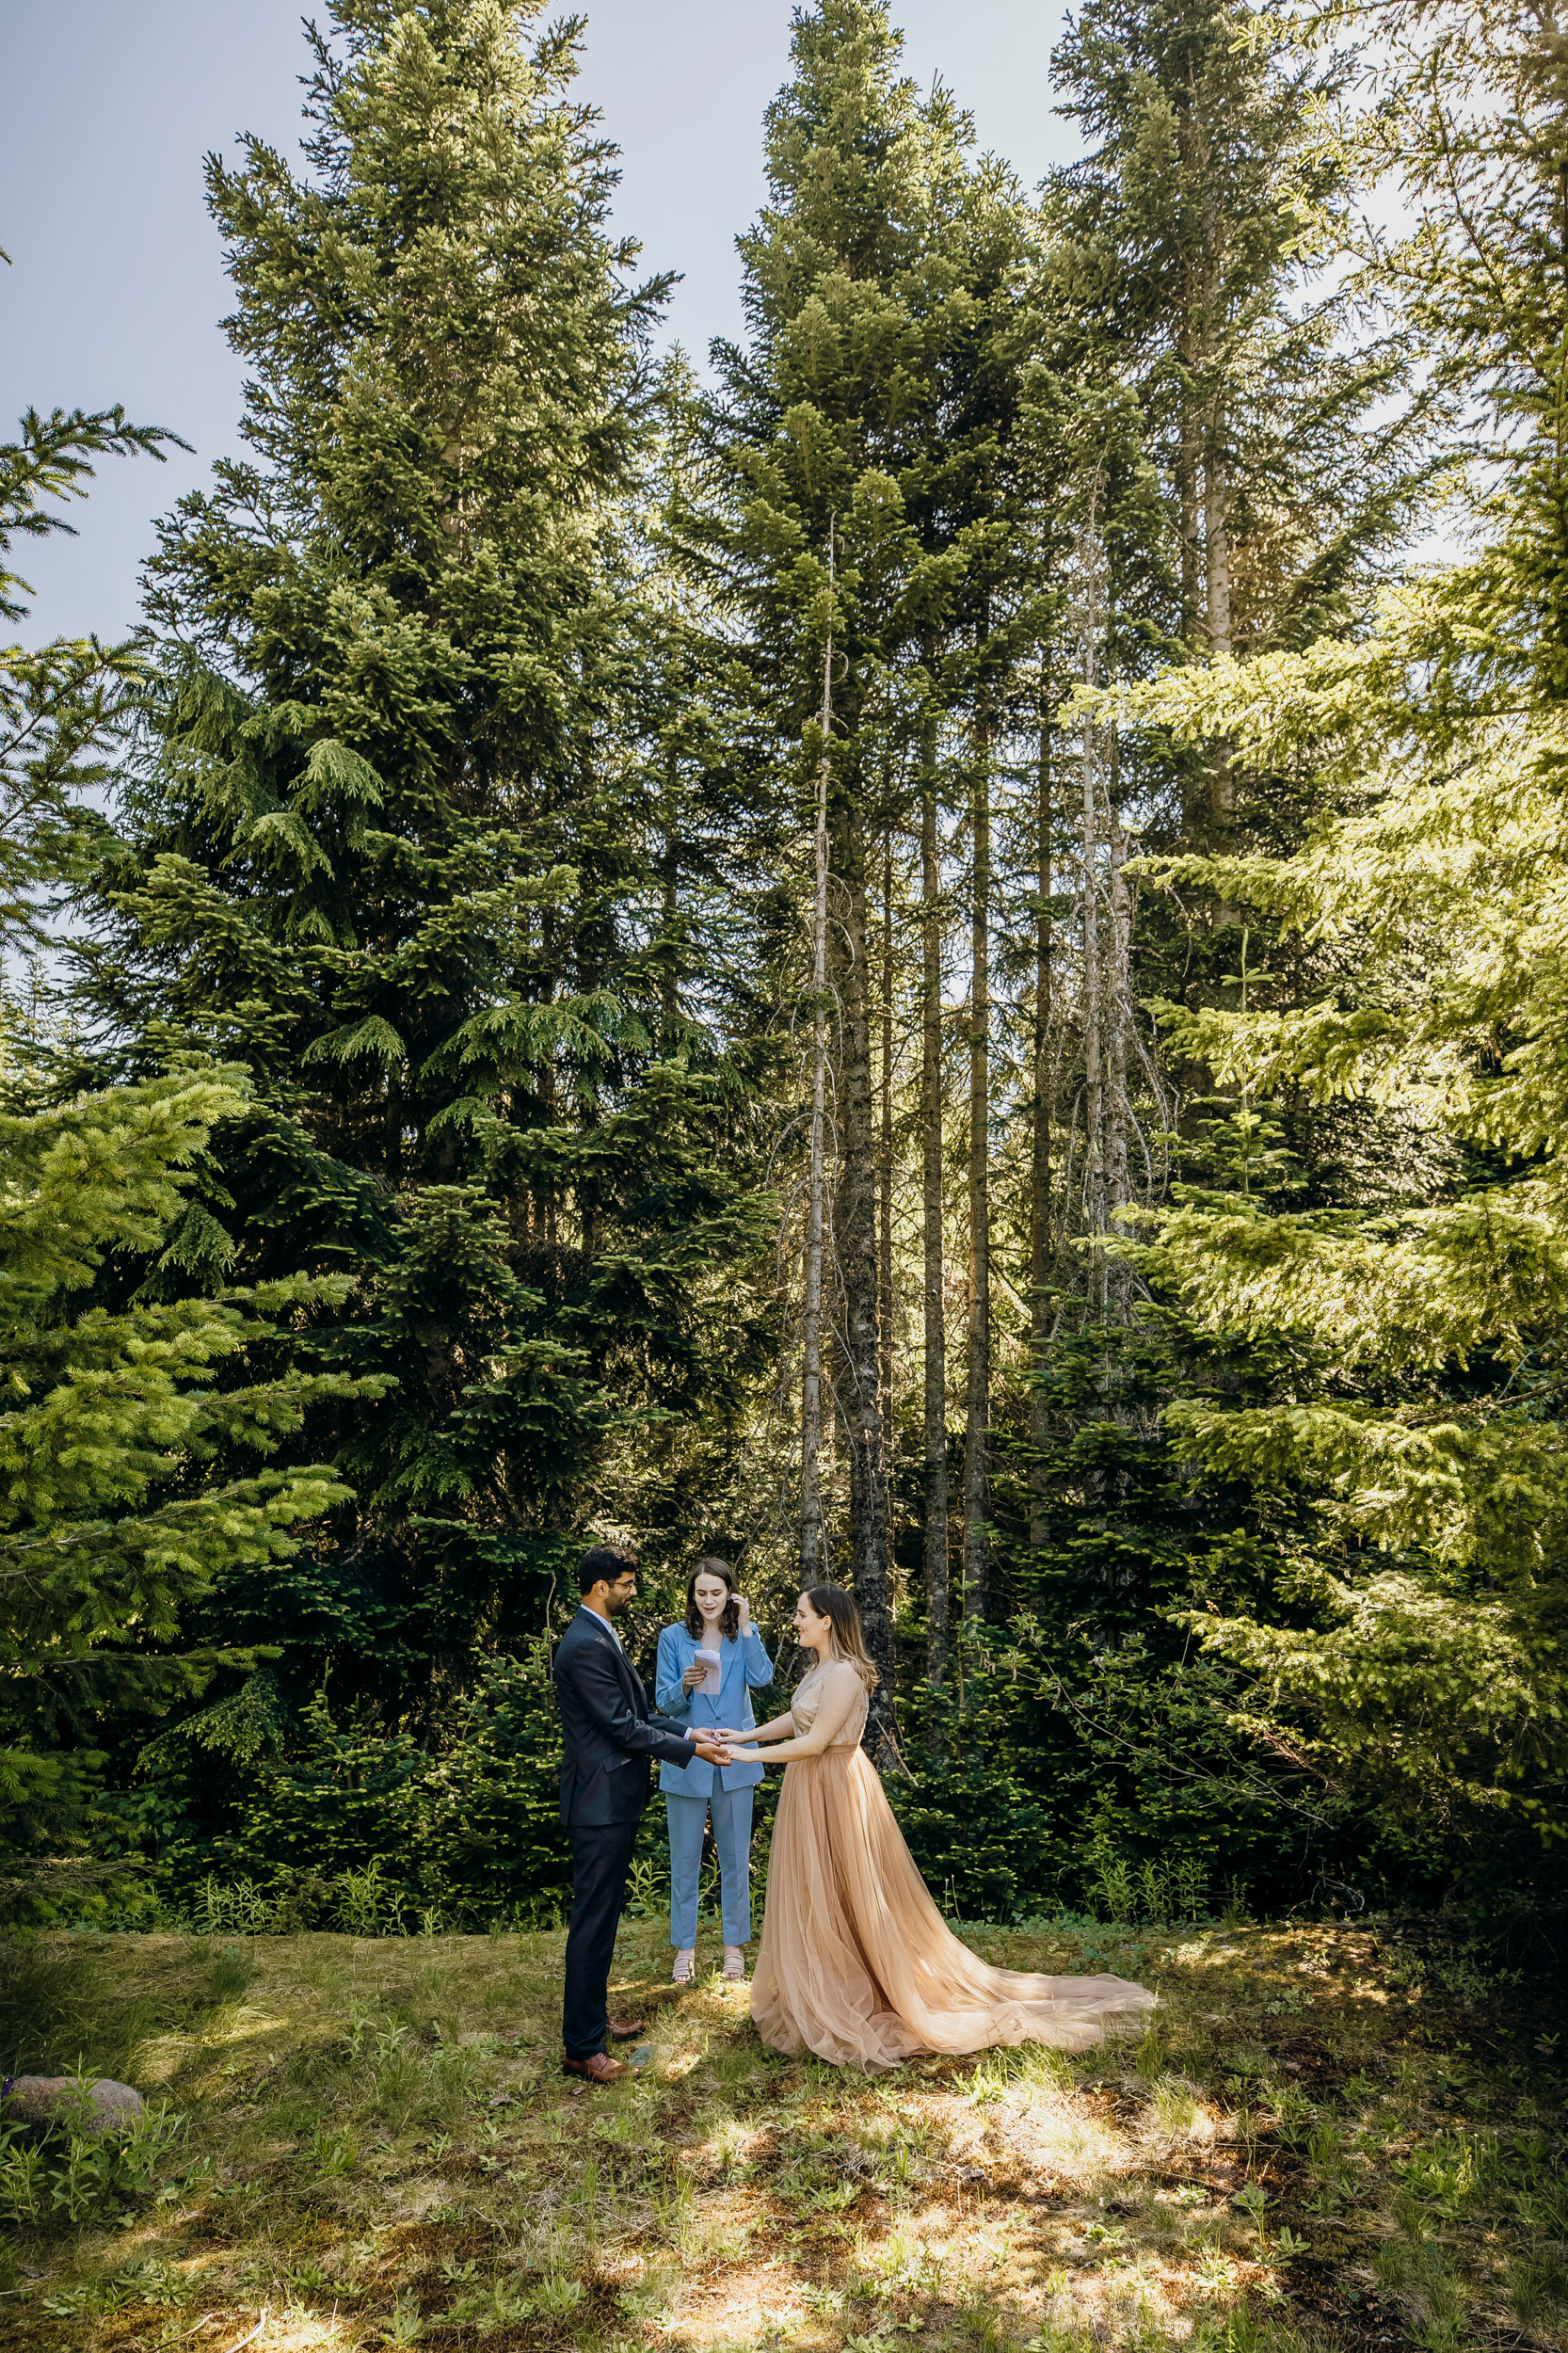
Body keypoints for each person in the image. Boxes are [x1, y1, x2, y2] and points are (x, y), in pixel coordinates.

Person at [722, 1585, 1157, 2068]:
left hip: (836, 1786)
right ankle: (825, 1983)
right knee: (818, 1891)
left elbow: (818, 1741)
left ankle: (867, 1985)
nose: (796, 1620)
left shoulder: (845, 1672)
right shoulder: (819, 1669)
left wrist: (747, 1755)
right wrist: (747, 1732)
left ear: (828, 1621)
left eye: (801, 1613)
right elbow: (797, 1720)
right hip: (809, 1789)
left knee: (851, 1891)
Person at [552, 1544, 730, 2085]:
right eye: (626, 1584)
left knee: (602, 1918)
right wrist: (692, 1750)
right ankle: (583, 2048)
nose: (633, 1591)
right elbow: (621, 1728)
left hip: (612, 1800)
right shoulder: (583, 1644)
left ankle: (593, 2020)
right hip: (598, 1803)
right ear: (601, 1586)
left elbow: (639, 1713)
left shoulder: (598, 1633)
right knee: (593, 1921)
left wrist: (687, 1730)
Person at [654, 1558, 775, 1984]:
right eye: (701, 1593)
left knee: (736, 1859)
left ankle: (734, 1950)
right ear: (692, 1595)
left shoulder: (742, 1634)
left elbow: (762, 1678)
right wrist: (683, 1684)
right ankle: (684, 1950)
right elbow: (662, 1706)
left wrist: (746, 1627)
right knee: (684, 1859)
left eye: (716, 1593)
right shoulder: (672, 1637)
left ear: (730, 1594)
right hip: (688, 1759)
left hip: (736, 1760)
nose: (708, 1600)